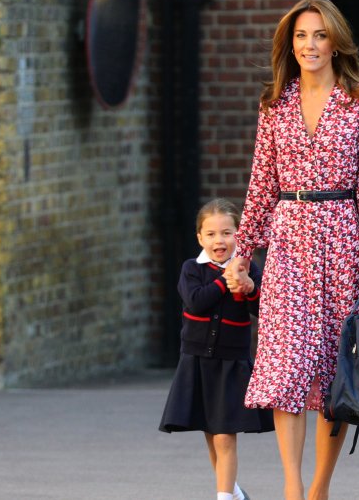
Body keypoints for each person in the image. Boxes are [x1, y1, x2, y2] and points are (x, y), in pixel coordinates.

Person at [224, 0, 359, 500]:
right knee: (285, 365)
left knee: (334, 371)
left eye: (319, 35)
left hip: (342, 236)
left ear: (335, 41)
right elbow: (260, 184)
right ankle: (293, 489)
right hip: (289, 238)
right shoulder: (274, 102)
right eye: (300, 36)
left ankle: (319, 487)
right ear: (289, 44)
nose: (310, 45)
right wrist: (242, 251)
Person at [160, 198, 274, 500]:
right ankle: (232, 491)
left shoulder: (248, 268)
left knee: (225, 435)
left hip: (231, 362)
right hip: (196, 360)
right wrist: (225, 282)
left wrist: (249, 287)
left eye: (226, 232)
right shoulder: (191, 270)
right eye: (210, 234)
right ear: (200, 238)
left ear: (239, 234)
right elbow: (196, 300)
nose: (219, 240)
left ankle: (224, 497)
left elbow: (262, 310)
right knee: (211, 434)